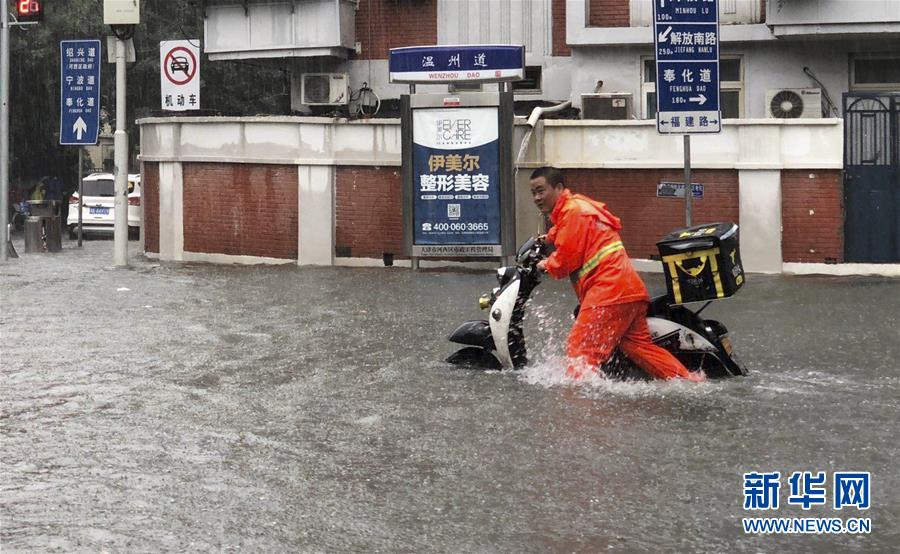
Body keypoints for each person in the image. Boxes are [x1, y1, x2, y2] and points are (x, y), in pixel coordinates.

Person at [528, 166, 704, 382]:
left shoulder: (572, 212)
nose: (536, 197)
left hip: (608, 291)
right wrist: (545, 238)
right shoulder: (579, 207)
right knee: (639, 347)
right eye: (533, 193)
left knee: (580, 350)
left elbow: (564, 262)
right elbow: (566, 231)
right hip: (629, 291)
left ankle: (581, 406)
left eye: (540, 190)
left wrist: (543, 264)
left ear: (559, 188)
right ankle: (689, 381)